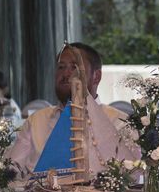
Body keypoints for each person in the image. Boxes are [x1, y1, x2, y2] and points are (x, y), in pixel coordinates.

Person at [9, 42, 139, 174]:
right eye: (61, 67)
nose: (66, 73)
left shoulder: (119, 123)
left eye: (74, 67)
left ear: (96, 77)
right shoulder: (36, 121)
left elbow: (135, 175)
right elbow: (11, 169)